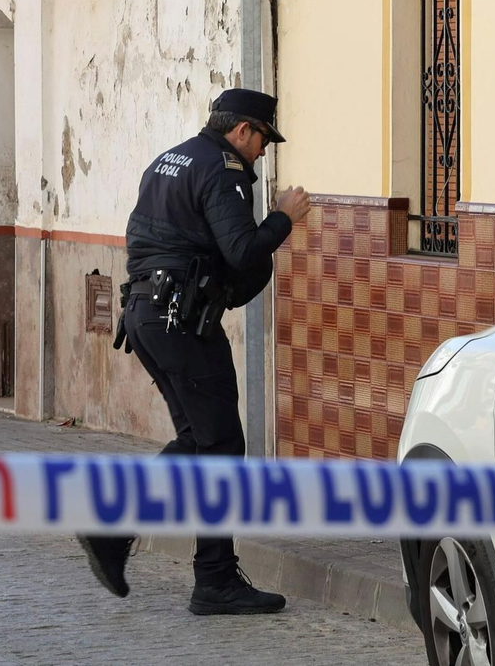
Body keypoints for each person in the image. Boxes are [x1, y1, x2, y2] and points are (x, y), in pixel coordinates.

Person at [79, 88, 312, 616]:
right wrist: (281, 218)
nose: (261, 155)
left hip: (146, 314)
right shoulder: (222, 170)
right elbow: (243, 249)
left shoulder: (169, 159)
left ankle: (212, 579)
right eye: (262, 143)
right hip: (180, 321)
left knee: (205, 442)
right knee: (222, 445)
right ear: (242, 131)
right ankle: (121, 529)